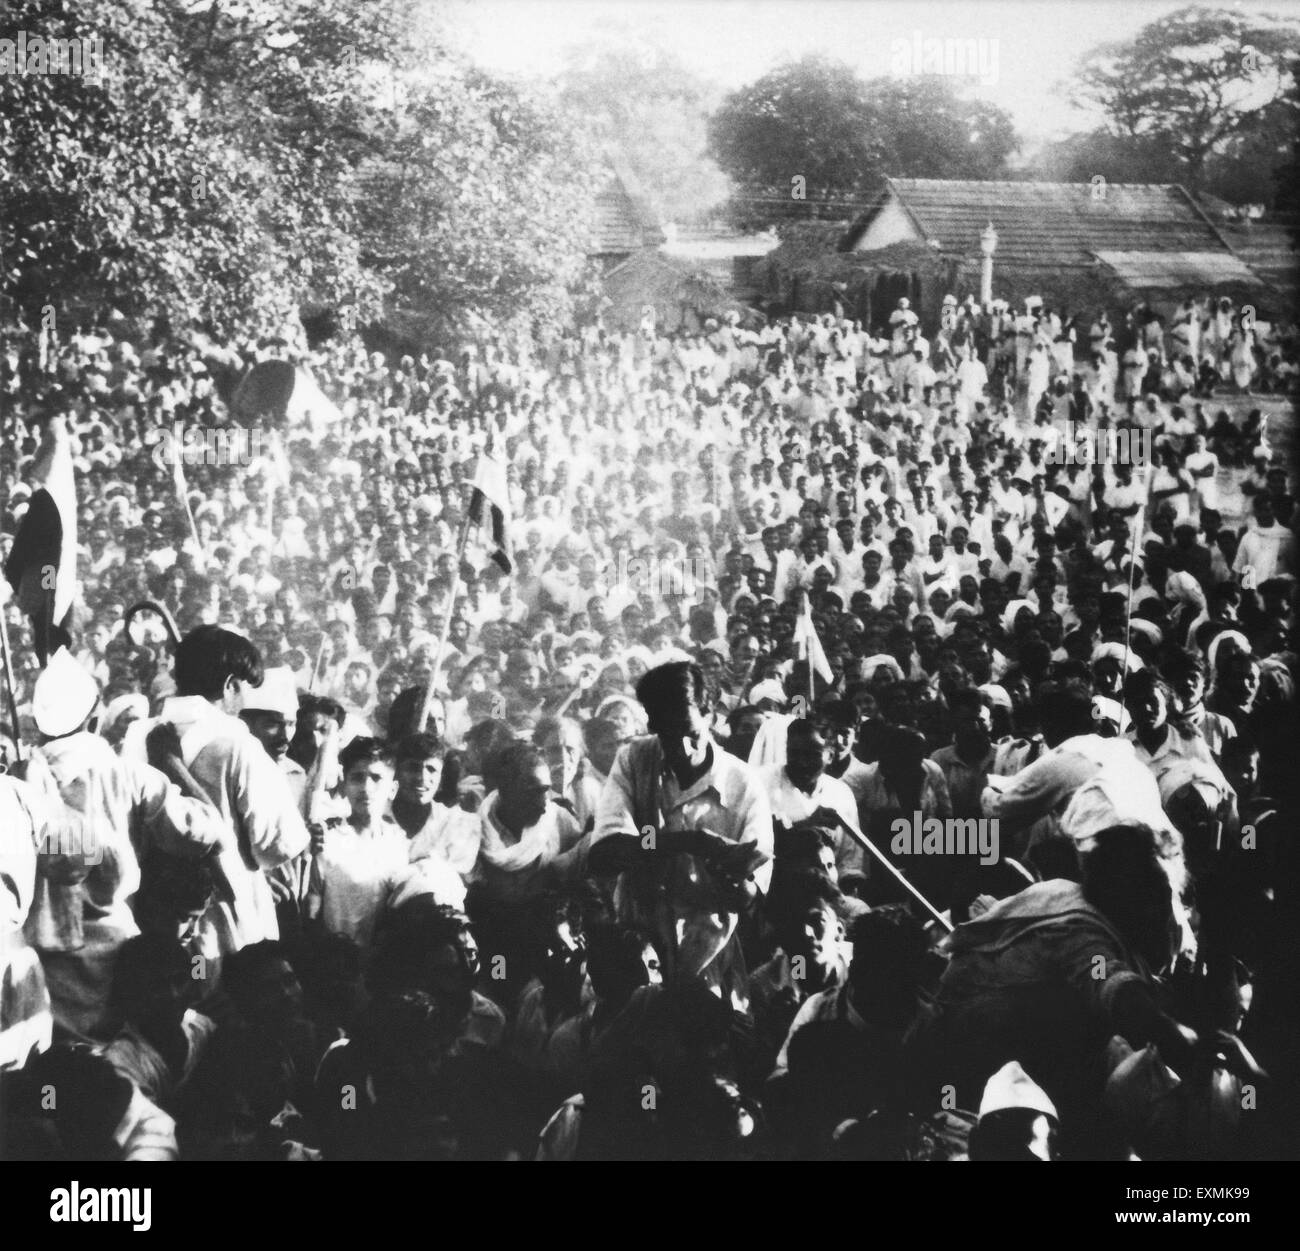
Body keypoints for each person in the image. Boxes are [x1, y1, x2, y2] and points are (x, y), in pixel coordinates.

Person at [590, 661, 773, 1009]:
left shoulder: (744, 785)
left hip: (708, 956)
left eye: (690, 734)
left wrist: (735, 881)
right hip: (637, 949)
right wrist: (693, 842)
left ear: (710, 715)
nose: (681, 750)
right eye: (668, 737)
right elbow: (607, 852)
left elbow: (753, 896)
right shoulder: (634, 760)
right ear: (653, 725)